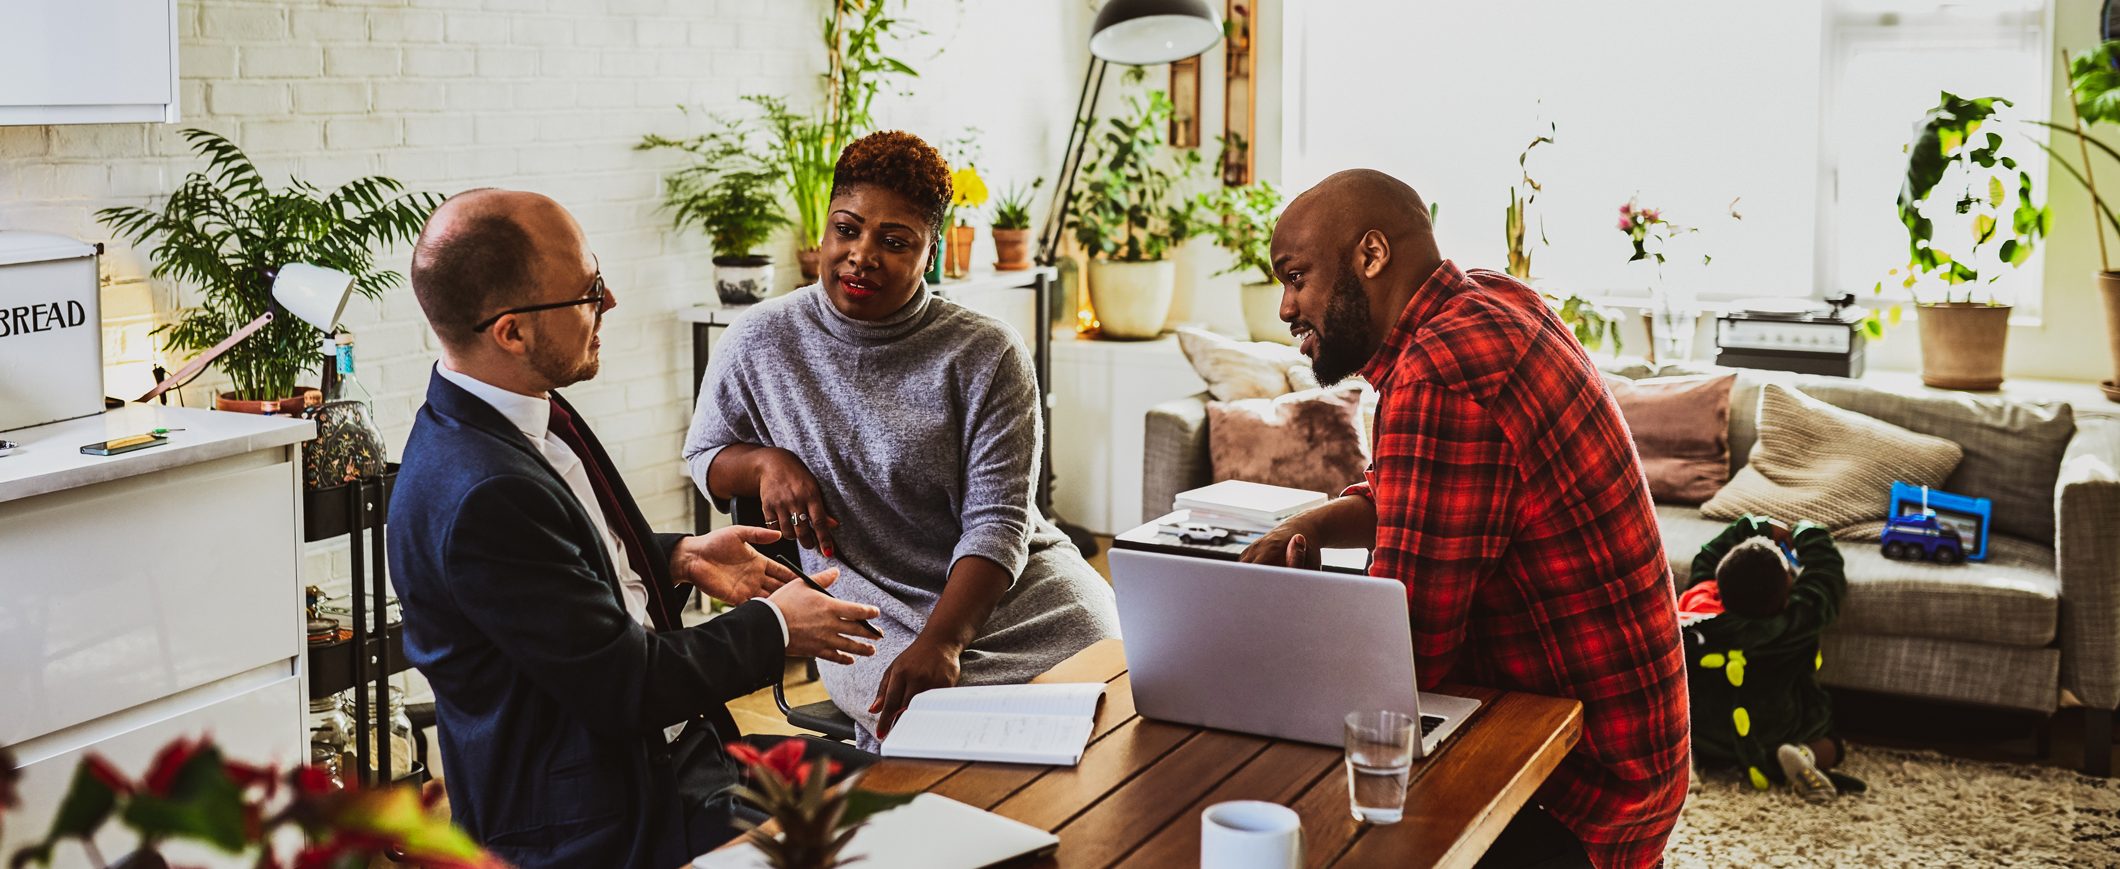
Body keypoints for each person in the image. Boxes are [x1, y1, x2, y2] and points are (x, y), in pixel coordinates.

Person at [388, 189, 885, 869]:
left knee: (896, 786)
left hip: (671, 758)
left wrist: (679, 555)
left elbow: (551, 578)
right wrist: (775, 627)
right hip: (600, 819)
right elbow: (628, 684)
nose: (611, 301)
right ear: (512, 331)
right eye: (589, 290)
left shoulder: (510, 411)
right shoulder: (484, 492)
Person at [1239, 170, 1689, 869]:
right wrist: (1309, 526)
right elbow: (1417, 490)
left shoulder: (1441, 373)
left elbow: (1404, 656)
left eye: (1296, 277)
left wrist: (1261, 658)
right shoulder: (1491, 299)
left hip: (1581, 796)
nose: (1286, 307)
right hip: (1630, 756)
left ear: (1371, 255)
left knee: (1304, 796)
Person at [685, 130, 1120, 749]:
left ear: (931, 250)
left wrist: (944, 641)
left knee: (1113, 700)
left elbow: (999, 523)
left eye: (894, 241)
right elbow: (704, 457)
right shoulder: (759, 341)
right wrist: (763, 463)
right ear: (825, 229)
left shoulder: (986, 352)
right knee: (960, 739)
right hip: (872, 616)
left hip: (1016, 593)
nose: (862, 255)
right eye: (847, 230)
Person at [1681, 515, 1864, 802]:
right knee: (1831, 744)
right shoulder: (1795, 622)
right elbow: (1825, 576)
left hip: (1708, 731)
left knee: (1685, 728)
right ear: (1786, 596)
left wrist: (1757, 526)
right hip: (1776, 733)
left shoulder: (1699, 610)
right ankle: (1805, 754)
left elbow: (1707, 556)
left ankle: (1685, 757)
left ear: (1720, 584)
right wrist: (1808, 532)